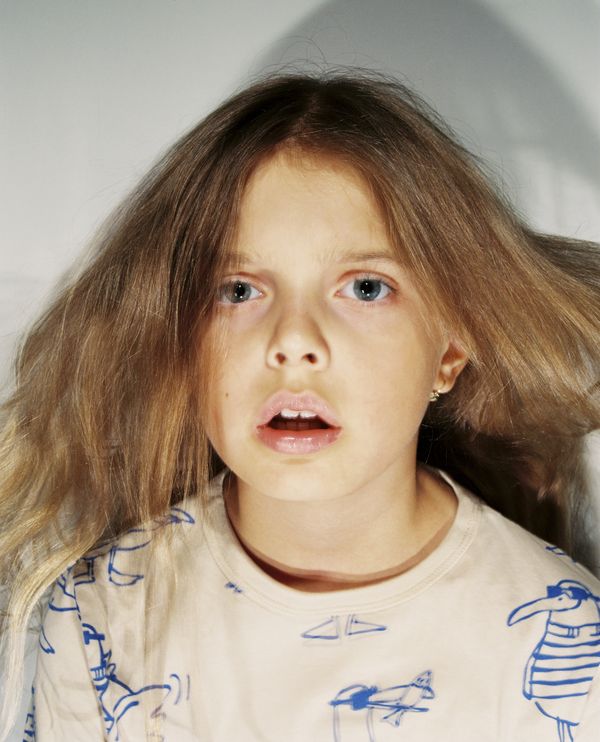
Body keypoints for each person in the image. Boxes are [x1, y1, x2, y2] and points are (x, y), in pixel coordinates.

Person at [1, 69, 599, 742]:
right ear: (183, 341)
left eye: (365, 288)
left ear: (451, 349)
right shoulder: (100, 616)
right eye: (238, 290)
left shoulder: (568, 641)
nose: (292, 341)